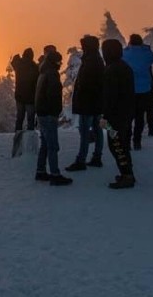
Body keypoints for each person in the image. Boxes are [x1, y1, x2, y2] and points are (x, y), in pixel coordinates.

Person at [100, 39, 136, 189]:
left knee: (117, 145)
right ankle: (127, 173)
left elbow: (110, 96)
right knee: (122, 144)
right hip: (125, 113)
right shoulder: (124, 67)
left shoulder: (112, 70)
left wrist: (105, 116)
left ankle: (127, 175)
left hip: (114, 116)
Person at [65, 35, 104, 171]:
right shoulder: (96, 60)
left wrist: (81, 100)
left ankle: (81, 160)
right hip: (95, 103)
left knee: (85, 131)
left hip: (88, 104)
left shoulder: (90, 61)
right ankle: (96, 157)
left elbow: (86, 84)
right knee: (97, 130)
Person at [34, 49, 72, 186]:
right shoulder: (52, 74)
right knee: (52, 145)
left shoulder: (43, 72)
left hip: (42, 113)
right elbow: (53, 95)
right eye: (59, 61)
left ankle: (40, 171)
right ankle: (55, 174)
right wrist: (56, 111)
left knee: (45, 144)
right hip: (49, 114)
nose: (60, 64)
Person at [122, 34, 153, 150]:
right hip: (144, 89)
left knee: (128, 117)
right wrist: (145, 48)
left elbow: (121, 58)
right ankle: (137, 141)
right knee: (140, 117)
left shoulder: (125, 53)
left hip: (129, 89)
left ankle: (127, 141)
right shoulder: (146, 54)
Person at [11, 48, 39, 131]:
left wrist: (17, 57)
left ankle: (17, 135)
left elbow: (13, 62)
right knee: (30, 119)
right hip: (30, 97)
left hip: (19, 96)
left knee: (20, 118)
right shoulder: (34, 66)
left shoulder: (19, 64)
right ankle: (30, 136)